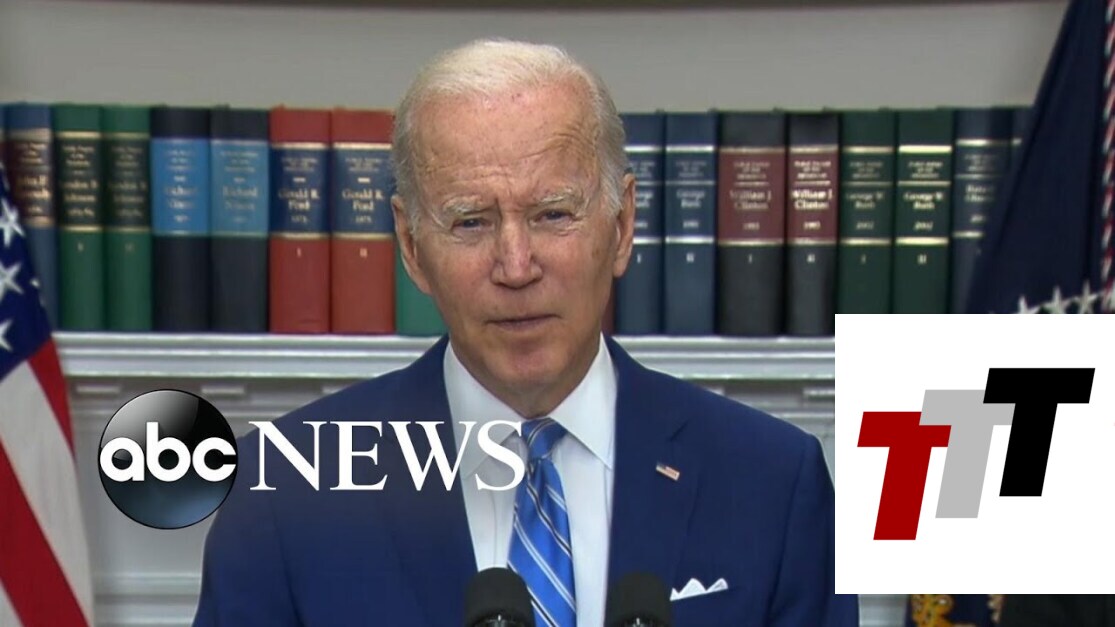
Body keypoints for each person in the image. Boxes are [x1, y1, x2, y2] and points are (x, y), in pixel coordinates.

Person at [193, 39, 857, 626]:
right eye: (470, 222)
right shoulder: (283, 490)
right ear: (412, 246)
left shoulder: (772, 482)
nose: (515, 266)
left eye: (552, 214)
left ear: (621, 226)